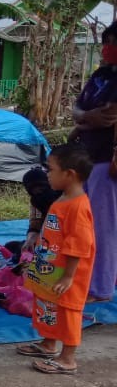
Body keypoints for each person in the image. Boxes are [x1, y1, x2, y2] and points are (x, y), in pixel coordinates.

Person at [17, 143, 96, 375]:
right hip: (49, 266)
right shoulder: (61, 199)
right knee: (46, 303)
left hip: (67, 273)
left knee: (68, 309)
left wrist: (70, 276)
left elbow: (80, 244)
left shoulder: (79, 206)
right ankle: (48, 343)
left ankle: (68, 357)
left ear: (69, 174)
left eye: (50, 169)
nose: (46, 174)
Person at [70, 21, 117, 303]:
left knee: (103, 224)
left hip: (105, 157)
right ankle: (86, 279)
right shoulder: (100, 75)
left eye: (113, 42)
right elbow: (79, 109)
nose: (107, 48)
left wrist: (81, 119)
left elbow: (109, 114)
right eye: (106, 41)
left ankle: (99, 287)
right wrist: (85, 118)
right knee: (83, 224)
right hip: (87, 155)